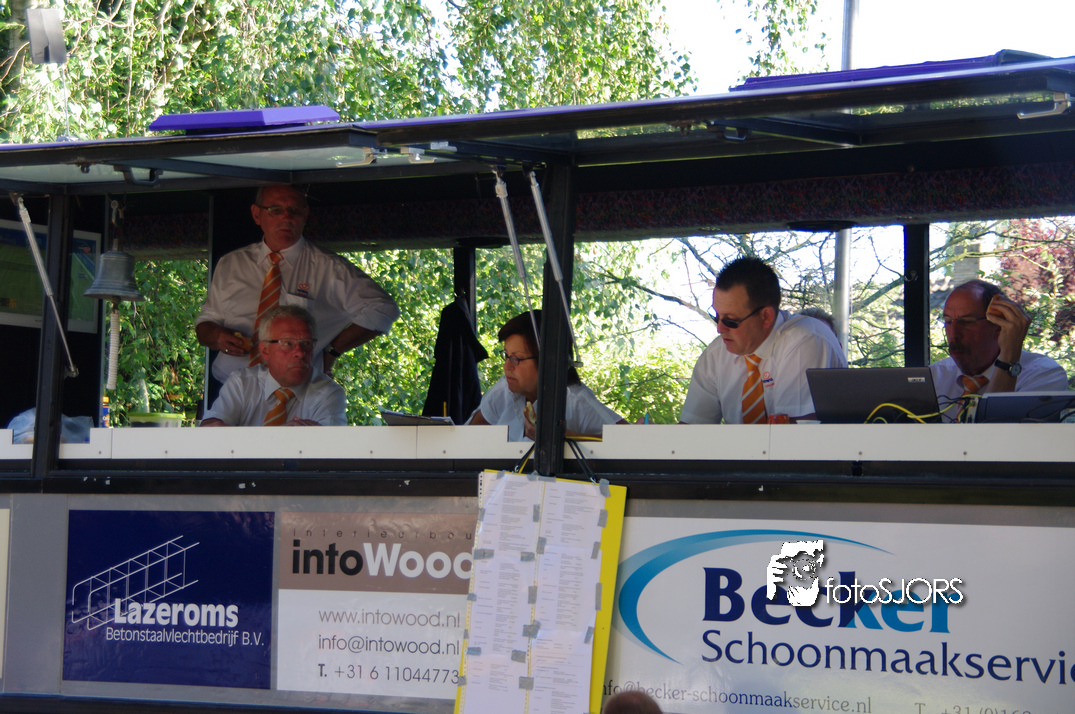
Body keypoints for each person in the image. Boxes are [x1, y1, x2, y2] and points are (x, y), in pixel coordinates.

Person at [195, 184, 400, 385]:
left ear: (305, 214)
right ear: (257, 215)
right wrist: (216, 336)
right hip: (231, 389)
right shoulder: (231, 263)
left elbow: (383, 309)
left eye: (294, 210)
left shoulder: (329, 268)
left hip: (294, 394)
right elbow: (207, 322)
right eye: (275, 210)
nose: (287, 217)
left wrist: (332, 351)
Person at [680, 256, 847, 424]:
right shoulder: (716, 354)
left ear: (766, 316)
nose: (720, 329)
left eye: (731, 321)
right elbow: (691, 430)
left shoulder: (806, 339)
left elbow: (795, 433)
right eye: (716, 317)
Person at [466, 310, 626, 441]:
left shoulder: (576, 400)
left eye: (516, 359)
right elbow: (467, 439)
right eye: (506, 356)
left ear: (547, 362)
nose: (506, 366)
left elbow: (627, 442)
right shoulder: (504, 390)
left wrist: (565, 437)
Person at [930, 279, 1068, 421]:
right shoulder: (934, 377)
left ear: (999, 324)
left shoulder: (1042, 374)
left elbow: (995, 431)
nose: (953, 333)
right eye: (948, 321)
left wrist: (1009, 359)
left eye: (966, 322)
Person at [200, 305, 346, 426]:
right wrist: (280, 438)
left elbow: (328, 448)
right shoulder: (243, 383)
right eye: (288, 343)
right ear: (265, 350)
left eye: (307, 343)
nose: (300, 352)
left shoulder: (329, 393)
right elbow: (210, 429)